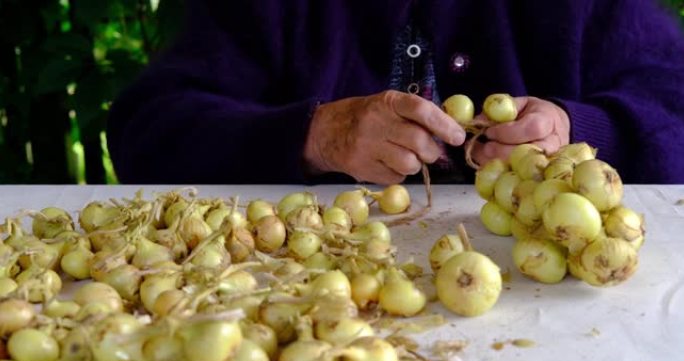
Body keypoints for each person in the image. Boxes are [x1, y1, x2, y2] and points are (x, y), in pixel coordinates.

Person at [107, 0, 684, 185]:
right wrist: (314, 135)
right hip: (312, 310)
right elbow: (148, 129)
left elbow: (672, 104)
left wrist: (578, 132)